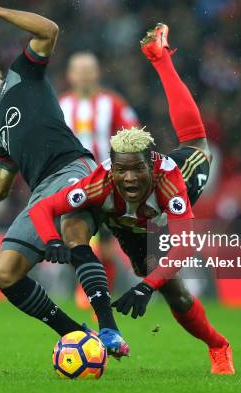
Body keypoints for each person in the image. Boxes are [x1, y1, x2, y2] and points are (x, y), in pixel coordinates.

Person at [29, 25, 234, 374]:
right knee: (73, 223)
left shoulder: (169, 182)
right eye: (122, 171)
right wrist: (51, 241)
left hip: (157, 215)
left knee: (175, 292)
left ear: (150, 167)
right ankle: (105, 322)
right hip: (112, 207)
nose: (129, 177)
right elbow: (42, 208)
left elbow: (183, 247)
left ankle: (218, 346)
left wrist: (146, 287)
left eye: (137, 170)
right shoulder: (100, 182)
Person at [0, 0, 128, 358]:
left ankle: (109, 329)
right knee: (5, 273)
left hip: (74, 168)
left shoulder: (22, 75)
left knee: (75, 232)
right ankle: (77, 334)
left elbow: (49, 30)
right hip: (42, 193)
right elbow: (0, 187)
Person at [60, 51, 139, 307]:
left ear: (97, 74)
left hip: (109, 185)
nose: (83, 77)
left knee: (106, 246)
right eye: (78, 72)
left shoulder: (113, 104)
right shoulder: (60, 106)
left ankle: (102, 294)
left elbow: (134, 138)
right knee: (77, 238)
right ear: (70, 75)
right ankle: (88, 292)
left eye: (88, 71)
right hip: (73, 184)